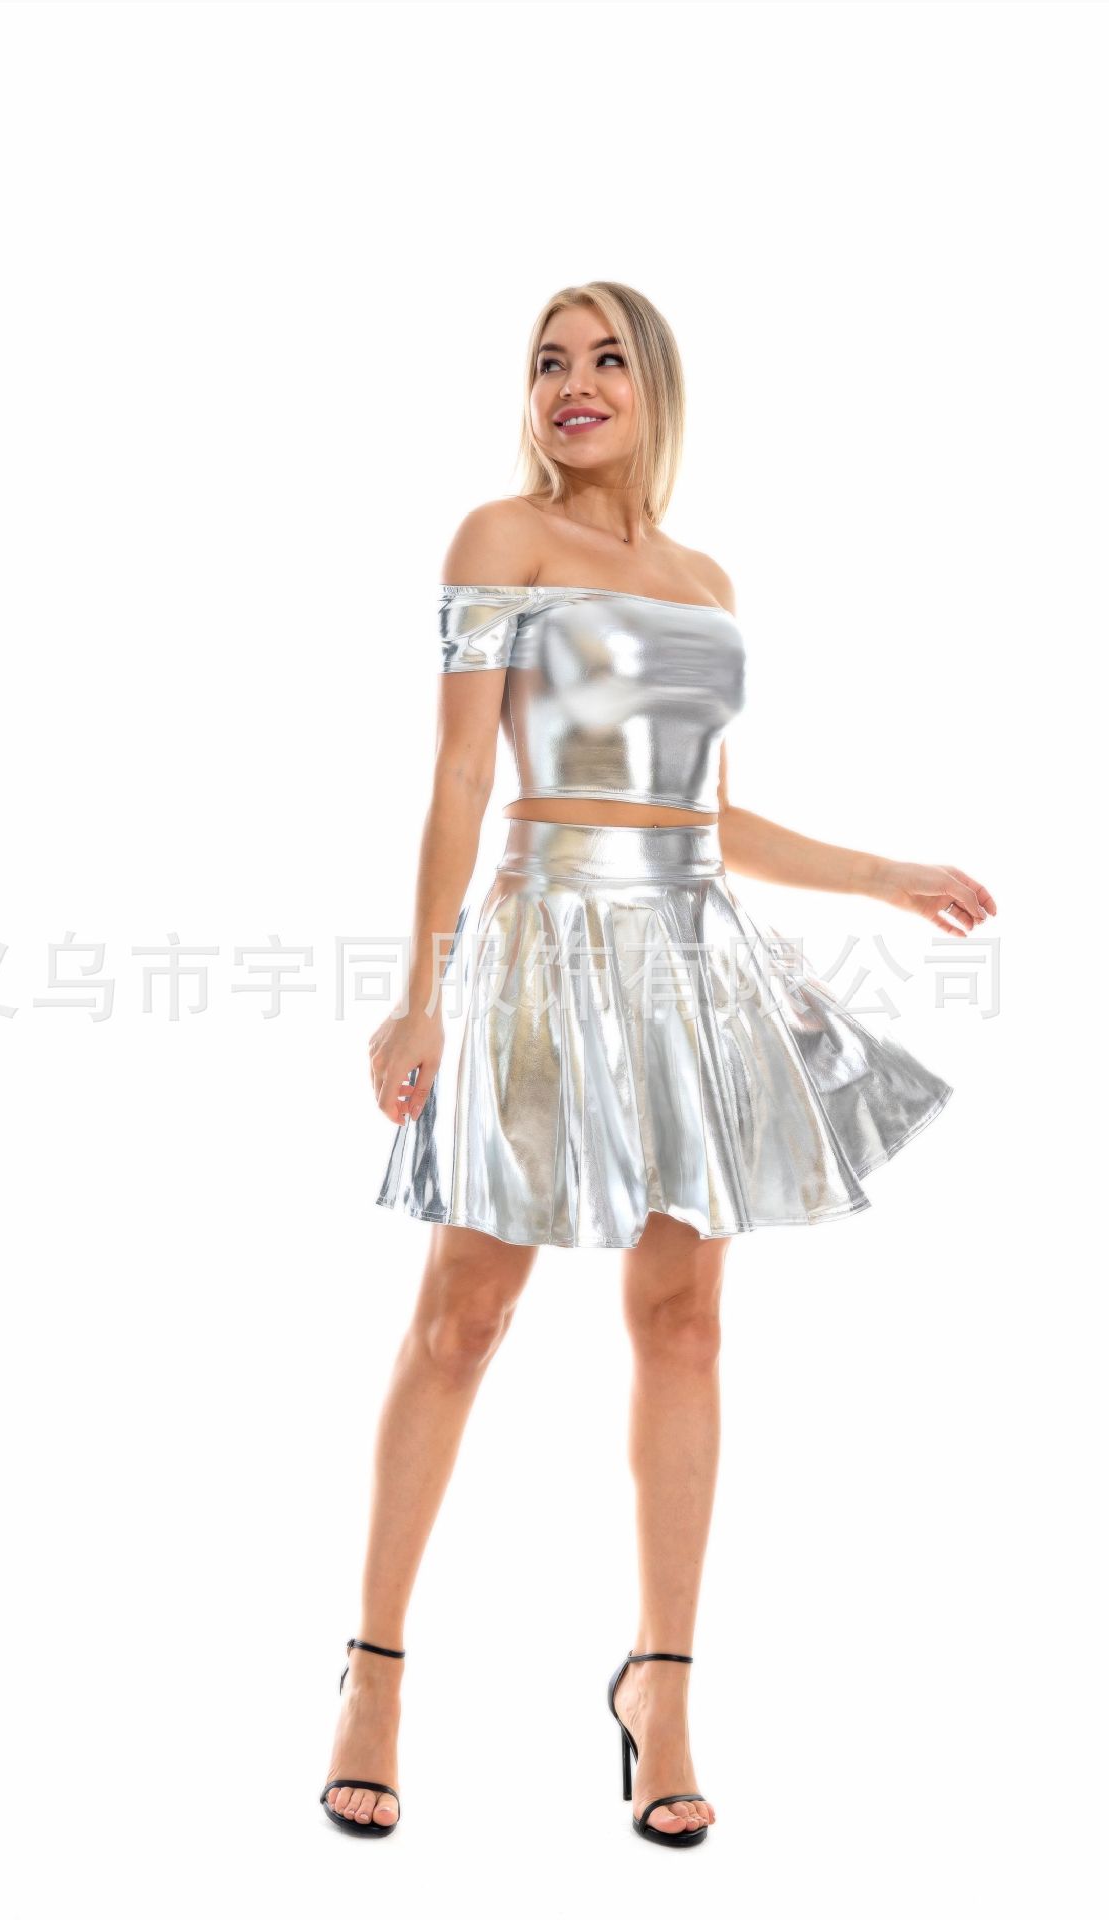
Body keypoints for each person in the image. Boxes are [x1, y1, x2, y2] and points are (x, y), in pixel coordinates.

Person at [319, 281, 996, 1847]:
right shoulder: (501, 537)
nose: (574, 381)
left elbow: (704, 813)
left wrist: (883, 873)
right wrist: (418, 996)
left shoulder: (704, 578)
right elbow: (461, 776)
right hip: (544, 948)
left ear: (654, 384)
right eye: (548, 361)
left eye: (606, 356)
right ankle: (374, 1673)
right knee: (463, 1317)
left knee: (683, 1324)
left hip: (688, 956)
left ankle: (663, 1688)